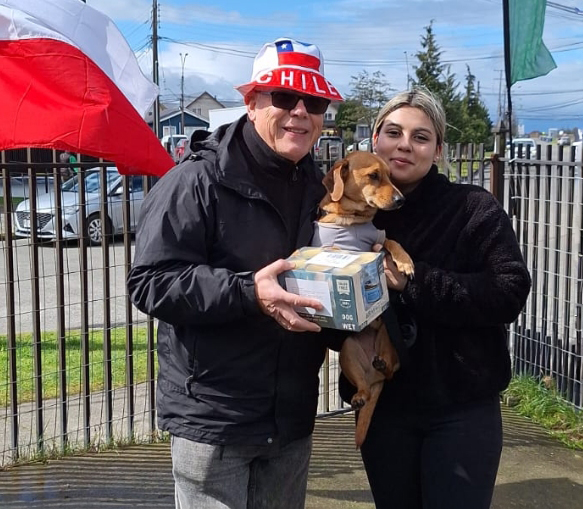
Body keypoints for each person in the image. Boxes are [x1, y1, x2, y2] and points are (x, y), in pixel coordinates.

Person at [127, 38, 345, 509]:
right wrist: (249, 292)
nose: (300, 112)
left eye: (314, 102)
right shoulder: (195, 181)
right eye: (284, 97)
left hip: (291, 417)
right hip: (215, 418)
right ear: (251, 103)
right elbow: (151, 281)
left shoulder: (321, 187)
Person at [341, 88, 531, 509]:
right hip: (385, 408)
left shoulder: (472, 208)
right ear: (375, 139)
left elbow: (509, 291)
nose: (404, 144)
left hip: (461, 408)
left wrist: (415, 283)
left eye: (421, 137)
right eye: (393, 132)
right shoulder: (351, 215)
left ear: (438, 150)